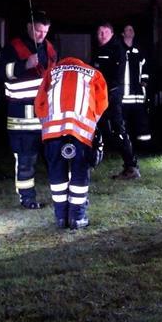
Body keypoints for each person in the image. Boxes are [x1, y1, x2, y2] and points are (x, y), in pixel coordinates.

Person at [35, 55, 108, 229]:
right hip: (80, 130)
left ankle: (61, 218)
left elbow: (39, 102)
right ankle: (77, 218)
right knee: (80, 171)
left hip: (53, 131)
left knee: (56, 172)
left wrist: (46, 124)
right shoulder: (93, 73)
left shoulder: (51, 72)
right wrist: (91, 123)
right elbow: (102, 102)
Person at [0, 11, 57, 209]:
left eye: (45, 31)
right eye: (39, 31)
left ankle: (59, 195)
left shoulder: (49, 48)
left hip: (45, 116)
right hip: (21, 117)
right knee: (25, 160)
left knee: (53, 157)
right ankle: (27, 199)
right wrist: (25, 64)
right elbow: (1, 72)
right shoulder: (13, 47)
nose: (42, 35)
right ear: (29, 27)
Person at [91, 23, 140, 180]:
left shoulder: (117, 50)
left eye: (105, 32)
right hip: (99, 96)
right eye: (99, 32)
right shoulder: (99, 50)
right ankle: (91, 161)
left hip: (112, 96)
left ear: (112, 34)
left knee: (118, 130)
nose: (102, 35)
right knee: (98, 128)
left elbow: (116, 78)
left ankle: (131, 167)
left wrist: (108, 94)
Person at [120, 24, 152, 145]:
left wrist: (144, 80)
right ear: (123, 34)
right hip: (123, 97)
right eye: (128, 29)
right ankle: (124, 146)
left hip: (138, 95)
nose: (131, 31)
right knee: (123, 123)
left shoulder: (138, 51)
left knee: (142, 122)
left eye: (132, 29)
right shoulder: (119, 51)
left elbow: (145, 68)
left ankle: (145, 146)